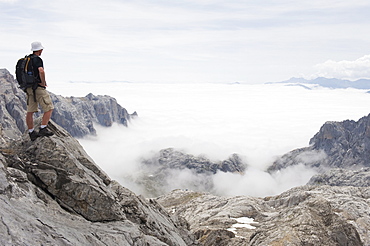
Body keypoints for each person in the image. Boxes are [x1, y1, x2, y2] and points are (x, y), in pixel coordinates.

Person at [26, 41, 54, 141]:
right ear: (39, 50)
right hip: (37, 87)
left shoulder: (27, 59)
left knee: (30, 111)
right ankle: (43, 129)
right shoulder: (37, 59)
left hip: (28, 88)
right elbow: (41, 71)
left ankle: (31, 132)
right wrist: (43, 82)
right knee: (49, 108)